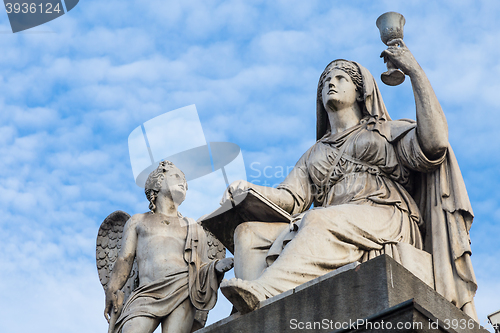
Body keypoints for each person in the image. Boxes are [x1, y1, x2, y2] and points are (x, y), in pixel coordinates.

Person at [220, 39, 478, 320]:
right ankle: (249, 316)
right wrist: (248, 189)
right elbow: (291, 198)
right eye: (325, 81)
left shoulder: (385, 131)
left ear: (360, 91)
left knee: (318, 219)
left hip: (386, 215)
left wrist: (415, 72)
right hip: (335, 220)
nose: (331, 83)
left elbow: (435, 144)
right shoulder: (314, 153)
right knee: (247, 234)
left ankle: (265, 290)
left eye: (340, 78)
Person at [104, 161, 233, 333]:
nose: (183, 182)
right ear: (157, 184)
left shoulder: (193, 227)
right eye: (176, 176)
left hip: (183, 289)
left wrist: (215, 267)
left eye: (185, 181)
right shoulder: (138, 221)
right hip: (146, 293)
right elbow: (124, 259)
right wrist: (112, 289)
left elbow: (200, 269)